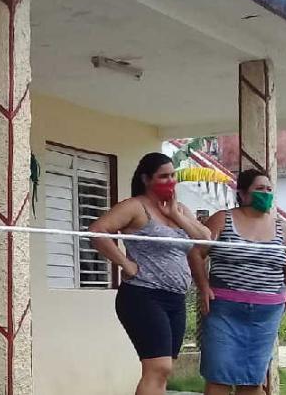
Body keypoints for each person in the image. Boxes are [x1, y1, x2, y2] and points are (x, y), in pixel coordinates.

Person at [89, 153, 211, 395]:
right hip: (143, 295)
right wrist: (125, 263)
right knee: (158, 367)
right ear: (146, 179)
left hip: (175, 298)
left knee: (165, 370)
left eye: (173, 176)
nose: (170, 181)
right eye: (163, 176)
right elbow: (97, 231)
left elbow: (206, 240)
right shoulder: (135, 206)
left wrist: (175, 214)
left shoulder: (180, 210)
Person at [189, 169, 286, 395]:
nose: (266, 193)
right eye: (260, 189)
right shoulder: (223, 219)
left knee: (252, 381)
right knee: (218, 377)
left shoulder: (282, 228)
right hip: (224, 312)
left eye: (269, 189)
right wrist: (204, 287)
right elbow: (196, 254)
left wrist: (283, 304)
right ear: (243, 193)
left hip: (265, 316)